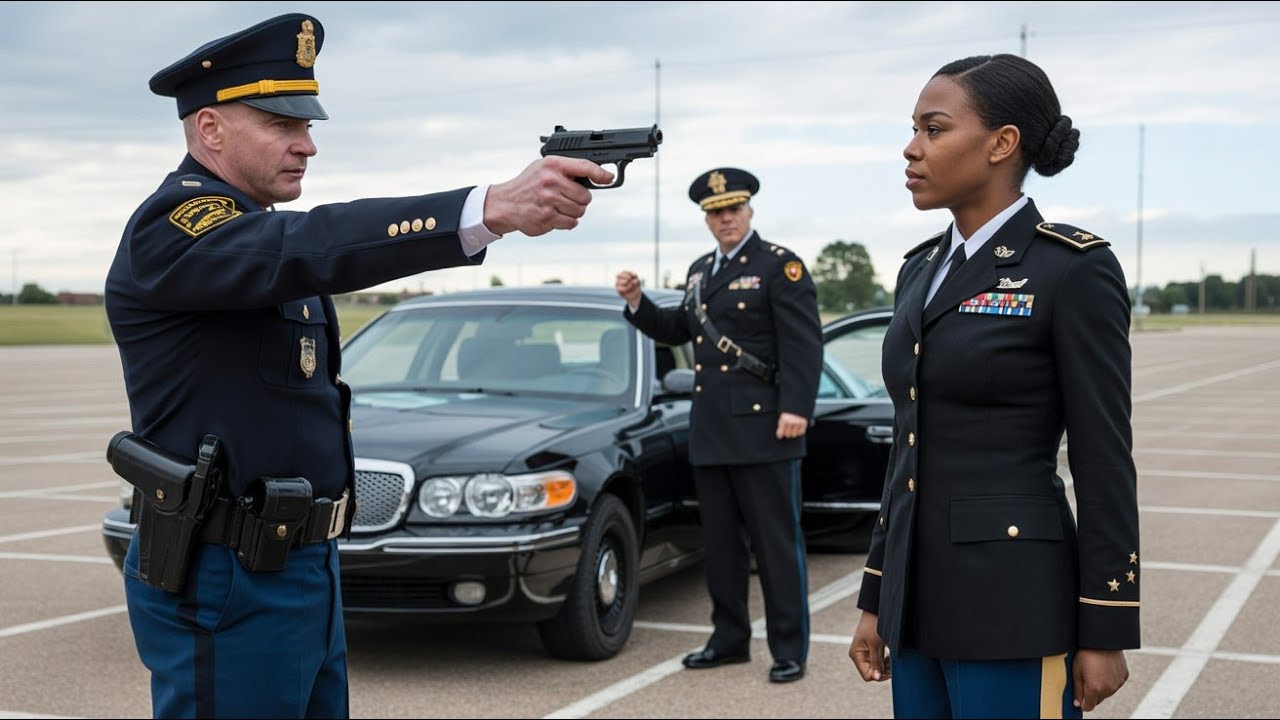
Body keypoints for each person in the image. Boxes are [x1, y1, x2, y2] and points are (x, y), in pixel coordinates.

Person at [104, 12, 613, 719]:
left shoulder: (255, 237)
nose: (307, 144)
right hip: (225, 570)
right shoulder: (174, 229)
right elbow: (309, 243)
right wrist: (488, 208)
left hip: (302, 564)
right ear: (210, 130)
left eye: (307, 124)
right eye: (281, 123)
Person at [847, 54, 1139, 718]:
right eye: (913, 129)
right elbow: (907, 448)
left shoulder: (1071, 269)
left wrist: (1107, 622)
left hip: (1014, 602)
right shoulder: (920, 271)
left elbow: (1103, 458)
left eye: (934, 128)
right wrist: (876, 595)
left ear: (1003, 143)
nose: (911, 147)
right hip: (917, 603)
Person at [615, 168, 823, 683]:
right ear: (706, 220)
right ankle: (729, 639)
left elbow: (803, 343)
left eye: (733, 209)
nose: (725, 218)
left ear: (749, 211)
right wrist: (638, 303)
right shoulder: (699, 271)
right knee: (722, 547)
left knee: (776, 547)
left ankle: (789, 649)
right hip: (711, 432)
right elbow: (679, 329)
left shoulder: (780, 266)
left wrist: (796, 407)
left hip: (768, 430)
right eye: (715, 212)